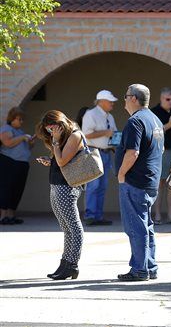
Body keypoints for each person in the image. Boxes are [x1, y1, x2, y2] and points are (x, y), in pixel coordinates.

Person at [115, 84, 164, 281]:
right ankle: (149, 266)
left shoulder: (135, 121)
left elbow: (132, 152)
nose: (124, 100)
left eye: (126, 96)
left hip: (135, 181)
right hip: (150, 181)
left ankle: (139, 269)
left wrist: (121, 173)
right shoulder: (155, 119)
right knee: (146, 225)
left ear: (134, 98)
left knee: (136, 226)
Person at [35, 110, 85, 280]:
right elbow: (61, 160)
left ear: (60, 124)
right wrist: (50, 161)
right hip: (57, 183)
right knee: (66, 228)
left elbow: (63, 161)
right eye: (48, 131)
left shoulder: (74, 135)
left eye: (52, 129)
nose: (51, 133)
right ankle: (65, 263)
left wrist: (56, 141)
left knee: (74, 227)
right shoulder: (62, 137)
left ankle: (72, 264)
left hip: (68, 186)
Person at [81, 90, 118, 226]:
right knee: (93, 185)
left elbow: (113, 134)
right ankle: (90, 216)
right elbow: (86, 134)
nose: (112, 104)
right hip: (93, 152)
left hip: (106, 153)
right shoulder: (91, 114)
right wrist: (105, 133)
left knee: (102, 186)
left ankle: (98, 216)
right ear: (101, 101)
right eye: (110, 101)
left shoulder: (110, 117)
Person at [151, 87, 171, 225]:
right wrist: (170, 124)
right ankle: (157, 214)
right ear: (161, 98)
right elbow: (154, 133)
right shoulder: (154, 112)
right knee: (160, 183)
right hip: (162, 151)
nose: (170, 102)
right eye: (167, 99)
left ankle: (170, 215)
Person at [0, 107, 34, 225]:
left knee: (17, 190)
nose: (21, 122)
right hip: (9, 163)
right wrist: (23, 137)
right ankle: (3, 216)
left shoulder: (21, 132)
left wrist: (30, 141)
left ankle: (11, 215)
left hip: (22, 164)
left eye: (22, 119)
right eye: (19, 119)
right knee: (6, 189)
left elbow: (28, 148)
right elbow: (7, 143)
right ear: (12, 119)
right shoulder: (6, 129)